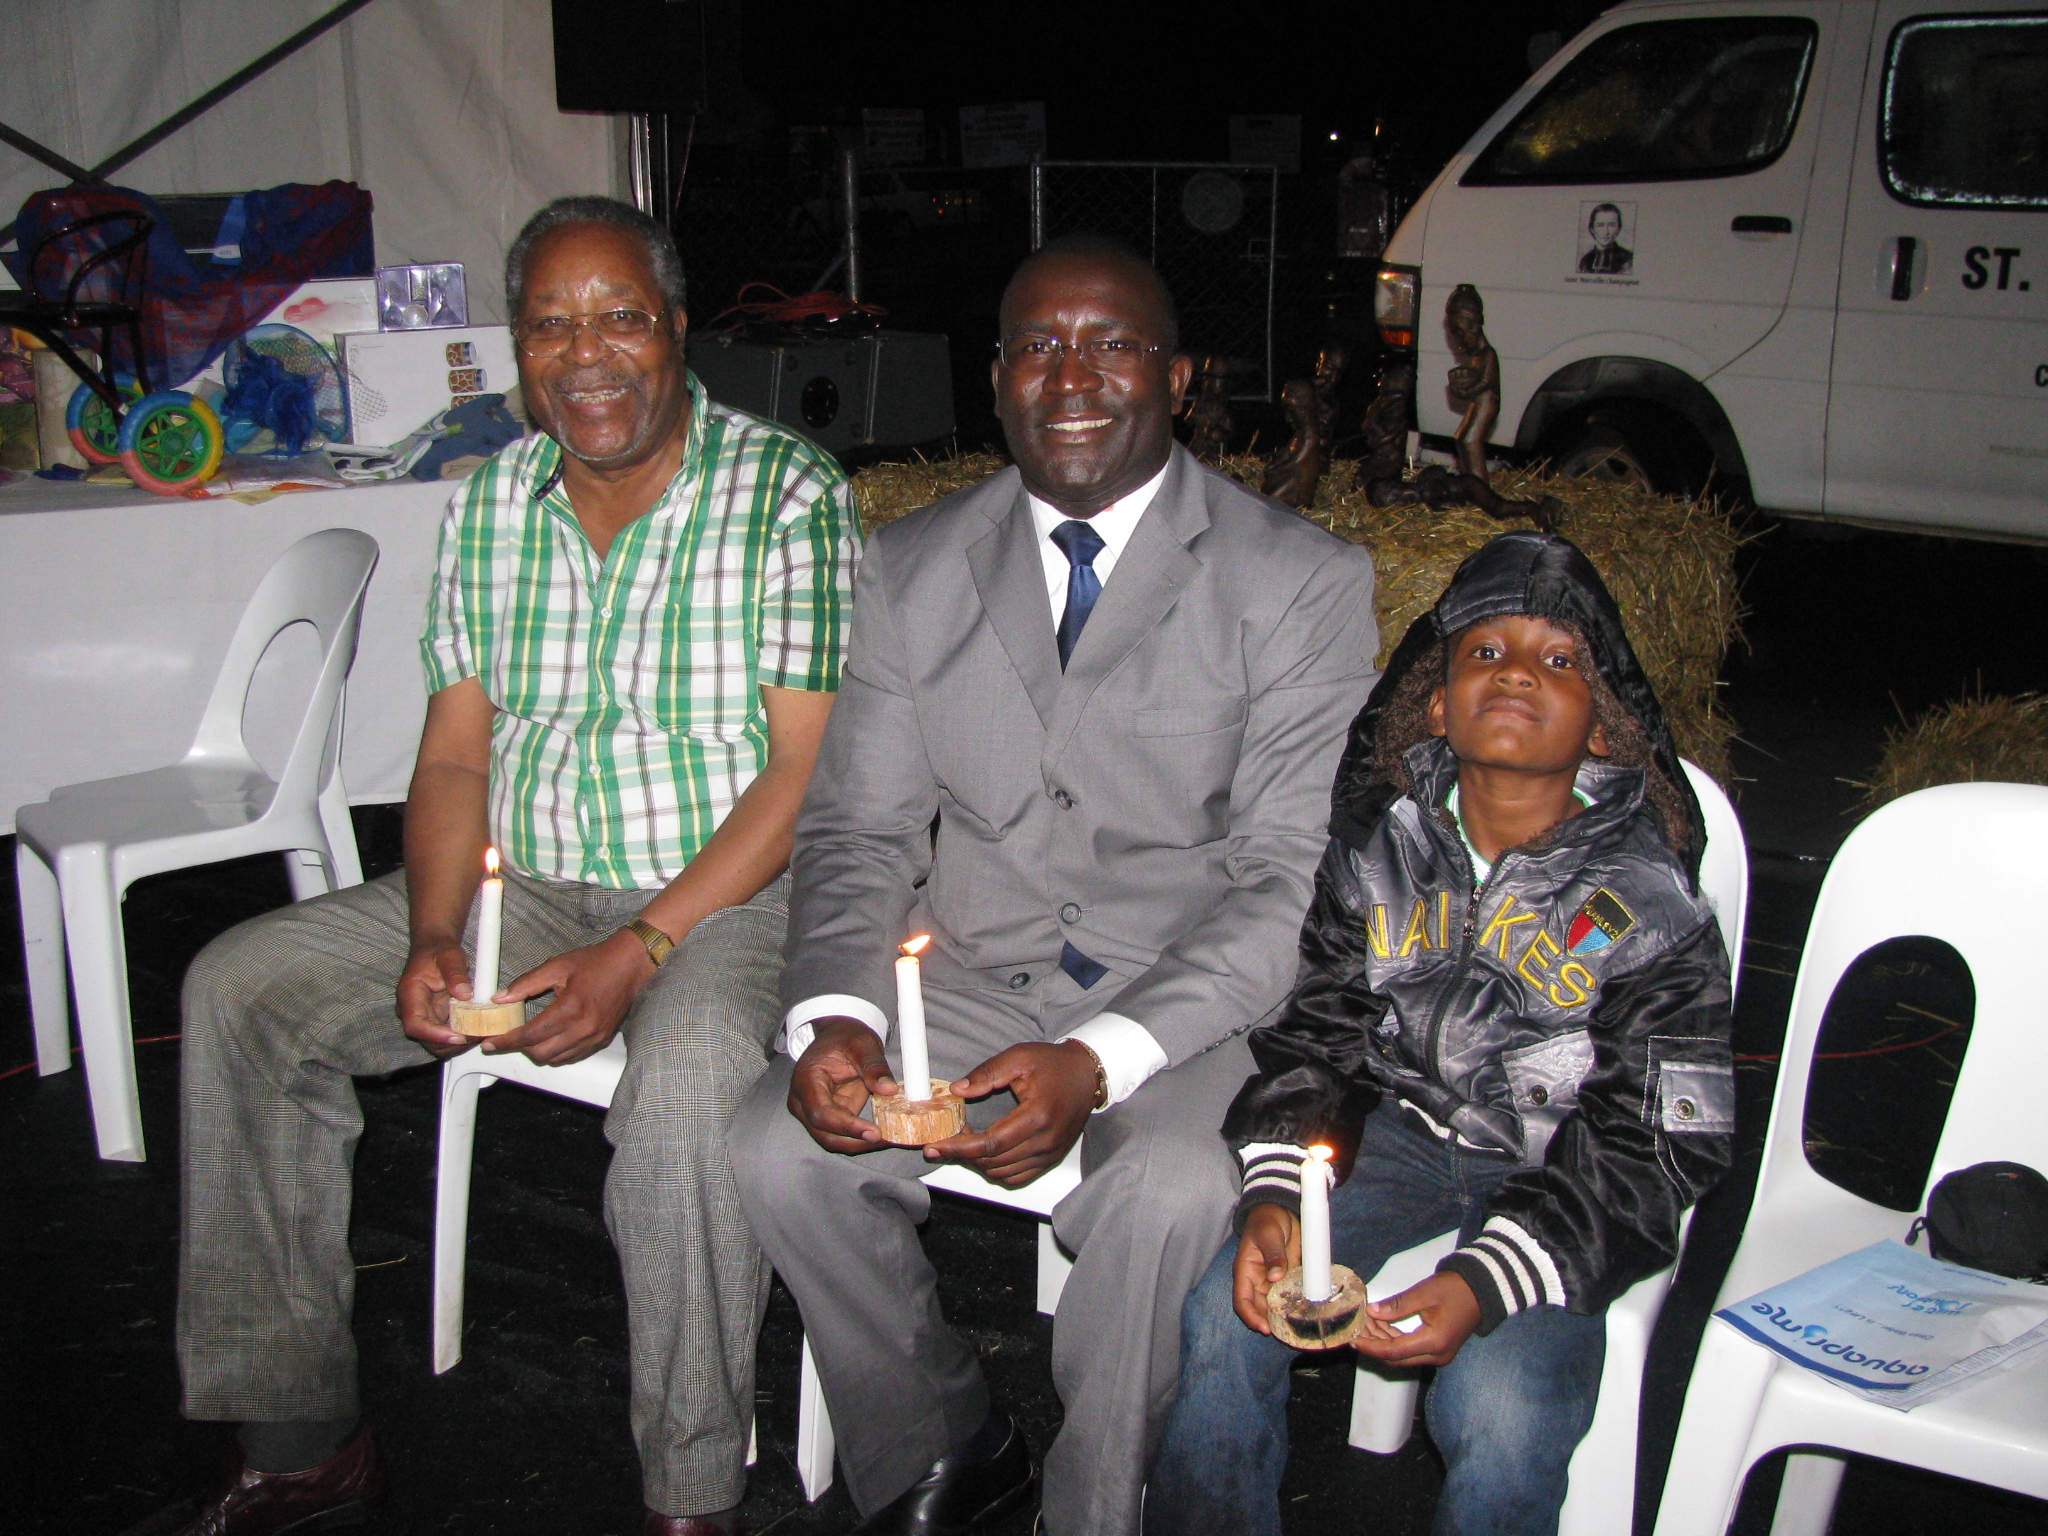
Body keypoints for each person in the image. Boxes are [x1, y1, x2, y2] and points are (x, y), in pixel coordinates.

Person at [157, 196, 858, 1536]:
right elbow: (453, 759)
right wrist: (435, 930)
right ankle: (301, 1441)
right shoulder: (490, 505)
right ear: (520, 349)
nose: (585, 354)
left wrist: (637, 950)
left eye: (620, 317)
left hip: (733, 896)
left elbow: (801, 777)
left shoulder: (787, 493)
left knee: (686, 1088)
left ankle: (691, 1495)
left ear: (677, 329)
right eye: (550, 325)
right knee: (242, 991)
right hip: (524, 881)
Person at [729, 234, 1381, 1536]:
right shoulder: (910, 564)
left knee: (1173, 1189)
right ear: (995, 380)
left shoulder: (1297, 581)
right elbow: (859, 829)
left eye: (1112, 344)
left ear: (1178, 379)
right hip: (973, 967)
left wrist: (1097, 1058)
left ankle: (1093, 1506)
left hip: (1189, 995)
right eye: (1038, 345)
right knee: (775, 1147)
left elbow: (1289, 882)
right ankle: (943, 1448)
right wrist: (835, 1015)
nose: (1071, 376)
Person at [1147, 531, 1734, 1536]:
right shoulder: (1380, 852)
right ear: (1433, 703)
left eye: (1559, 659)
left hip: (1568, 1176)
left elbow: (1661, 1135)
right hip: (1398, 1133)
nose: (1517, 672)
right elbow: (1320, 1033)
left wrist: (1487, 1276)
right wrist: (1281, 1192)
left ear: (1604, 724)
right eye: (1485, 651)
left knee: (1499, 1408)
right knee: (1221, 1314)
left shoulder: (1650, 902)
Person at [1578, 203, 1634, 274]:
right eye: (1600, 225)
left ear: (1618, 228)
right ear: (1592, 229)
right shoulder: (1585, 261)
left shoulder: (1629, 259)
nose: (1606, 232)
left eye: (1611, 225)